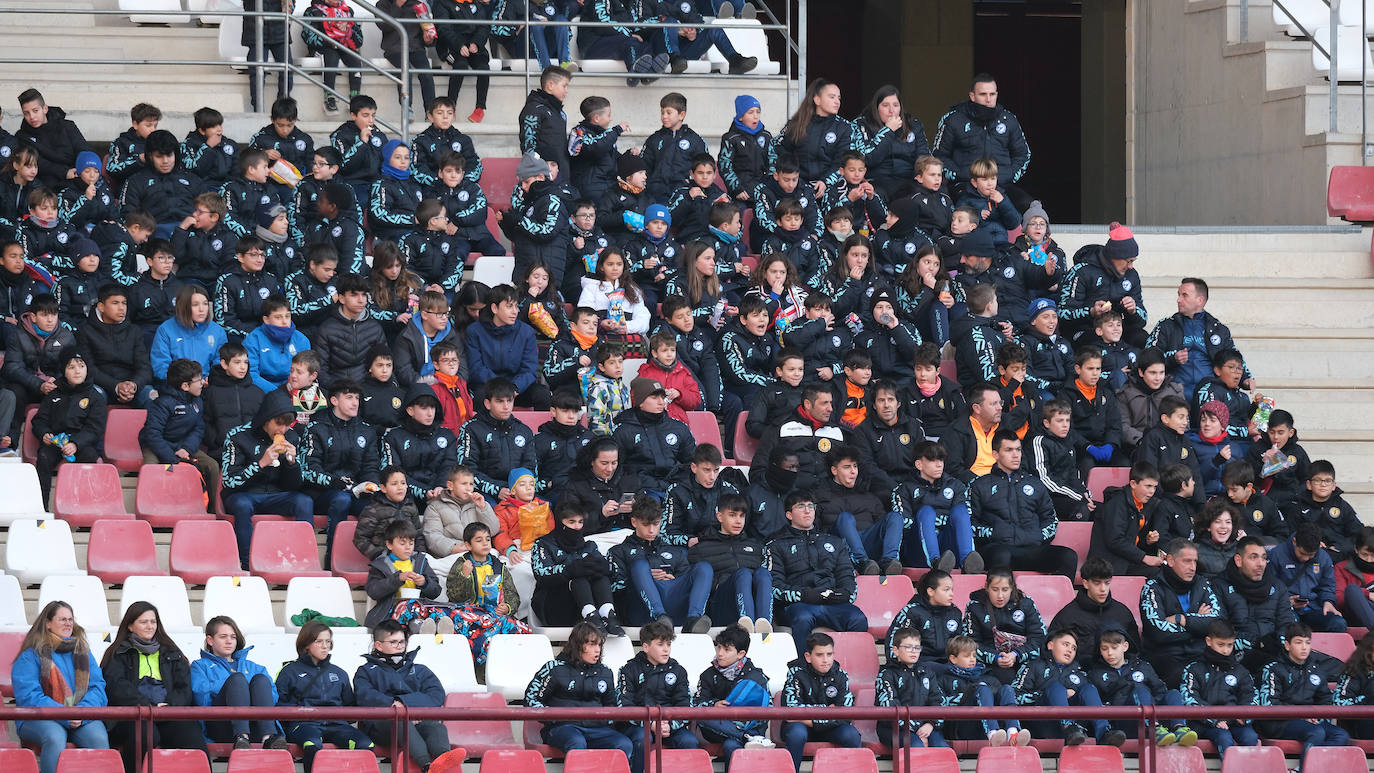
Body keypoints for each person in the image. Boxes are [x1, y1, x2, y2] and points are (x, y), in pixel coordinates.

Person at [102, 602, 209, 773]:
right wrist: (148, 706)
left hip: (169, 713)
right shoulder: (117, 653)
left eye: (153, 621)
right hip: (133, 717)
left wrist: (170, 706)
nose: (150, 626)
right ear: (130, 626)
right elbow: (117, 687)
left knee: (191, 735)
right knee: (145, 733)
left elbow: (184, 686)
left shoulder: (172, 652)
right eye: (143, 622)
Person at [12, 601, 110, 773]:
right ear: (48, 624)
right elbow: (29, 697)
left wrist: (82, 712)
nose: (68, 623)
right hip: (38, 718)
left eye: (70, 619)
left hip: (81, 716)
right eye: (62, 619)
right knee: (55, 736)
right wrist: (65, 714)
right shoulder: (31, 655)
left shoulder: (83, 652)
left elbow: (98, 688)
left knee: (98, 738)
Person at [354, 620, 463, 773]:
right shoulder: (365, 671)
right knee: (400, 723)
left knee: (436, 727)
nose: (399, 646)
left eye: (402, 642)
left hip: (417, 720)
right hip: (382, 727)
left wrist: (406, 705)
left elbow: (436, 695)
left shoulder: (420, 670)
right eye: (393, 642)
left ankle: (443, 761)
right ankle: (427, 767)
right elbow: (364, 697)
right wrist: (394, 706)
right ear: (378, 645)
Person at [221, 388, 313, 567]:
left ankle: (303, 561)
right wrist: (260, 463)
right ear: (266, 418)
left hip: (277, 495)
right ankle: (247, 564)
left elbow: (294, 486)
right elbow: (229, 482)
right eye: (279, 423)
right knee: (242, 505)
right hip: (244, 494)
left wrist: (291, 463)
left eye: (287, 425)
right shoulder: (237, 436)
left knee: (304, 501)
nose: (283, 429)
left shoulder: (292, 438)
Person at [527, 621, 639, 766]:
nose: (597, 650)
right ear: (578, 645)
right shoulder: (554, 668)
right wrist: (553, 718)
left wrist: (604, 721)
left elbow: (611, 706)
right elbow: (531, 698)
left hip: (597, 729)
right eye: (592, 645)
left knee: (624, 744)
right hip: (563, 728)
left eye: (599, 645)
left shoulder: (605, 672)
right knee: (576, 741)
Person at [769, 490, 867, 654]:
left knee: (858, 618)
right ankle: (801, 668)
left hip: (833, 603)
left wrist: (841, 594)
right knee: (803, 618)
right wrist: (805, 595)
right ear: (789, 514)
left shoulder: (835, 542)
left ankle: (849, 670)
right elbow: (775, 586)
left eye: (810, 506)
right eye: (801, 506)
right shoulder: (776, 545)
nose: (807, 510)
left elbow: (847, 577)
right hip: (797, 605)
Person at [970, 430, 1078, 578]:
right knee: (1002, 555)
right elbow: (971, 523)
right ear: (995, 454)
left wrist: (1039, 536)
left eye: (1018, 450)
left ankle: (1060, 600)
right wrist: (994, 534)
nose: (1015, 455)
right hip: (997, 548)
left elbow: (1051, 519)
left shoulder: (1035, 483)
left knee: (1068, 556)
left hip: (1032, 547)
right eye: (1009, 450)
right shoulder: (979, 485)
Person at [275, 621, 375, 773]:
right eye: (319, 641)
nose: (325, 646)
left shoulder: (340, 673)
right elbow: (278, 706)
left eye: (328, 641)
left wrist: (339, 716)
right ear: (306, 643)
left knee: (366, 744)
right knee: (312, 743)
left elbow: (350, 708)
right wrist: (299, 713)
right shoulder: (288, 671)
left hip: (337, 726)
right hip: (303, 725)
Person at [932, 74, 1032, 210]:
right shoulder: (953, 120)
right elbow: (938, 156)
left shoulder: (1008, 119)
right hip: (966, 184)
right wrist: (961, 174)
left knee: (1029, 206)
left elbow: (1023, 154)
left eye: (992, 94)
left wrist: (1008, 175)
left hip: (1001, 185)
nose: (988, 99)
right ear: (972, 96)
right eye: (983, 94)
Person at [1256, 622, 1350, 764]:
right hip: (1279, 723)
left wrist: (1318, 717)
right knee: (1317, 732)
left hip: (1309, 720)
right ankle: (1304, 769)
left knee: (1341, 735)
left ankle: (1317, 767)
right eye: (1299, 642)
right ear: (1287, 645)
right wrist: (1302, 716)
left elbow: (1325, 699)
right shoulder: (1273, 669)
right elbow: (1271, 705)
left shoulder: (1315, 669)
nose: (1304, 647)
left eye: (1307, 643)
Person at [1013, 628, 1123, 747]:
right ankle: (1068, 727)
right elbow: (1015, 697)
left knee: (1089, 689)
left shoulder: (1081, 674)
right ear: (1051, 645)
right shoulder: (1033, 666)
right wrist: (1050, 694)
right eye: (1066, 645)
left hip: (1078, 731)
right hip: (1042, 724)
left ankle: (1103, 733)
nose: (1069, 650)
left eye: (1073, 648)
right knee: (1056, 687)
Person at [1089, 628, 1198, 746]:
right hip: (1123, 723)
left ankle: (1179, 728)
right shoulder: (1096, 673)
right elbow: (1099, 703)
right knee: (1140, 690)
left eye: (1114, 648)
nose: (1110, 653)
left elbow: (1159, 692)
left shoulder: (1142, 666)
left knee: (1173, 693)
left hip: (1152, 717)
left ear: (1125, 646)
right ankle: (1154, 729)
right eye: (1104, 649)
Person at [190, 616, 286, 750]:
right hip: (221, 725)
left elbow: (273, 697)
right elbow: (201, 697)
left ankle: (268, 737)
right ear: (210, 640)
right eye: (223, 636)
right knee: (237, 680)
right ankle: (242, 737)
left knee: (260, 680)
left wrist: (246, 692)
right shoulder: (199, 666)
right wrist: (234, 689)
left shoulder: (255, 667)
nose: (229, 641)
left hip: (256, 725)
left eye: (233, 637)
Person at [1145, 278, 1250, 399]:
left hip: (1210, 394)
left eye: (1184, 295)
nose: (1178, 300)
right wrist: (1173, 359)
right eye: (1179, 295)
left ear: (1200, 300)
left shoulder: (1219, 329)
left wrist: (1245, 378)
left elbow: (1234, 357)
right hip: (1173, 394)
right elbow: (1148, 356)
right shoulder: (1165, 325)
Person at [444, 521, 531, 663]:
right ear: (468, 545)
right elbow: (454, 596)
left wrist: (507, 607)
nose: (485, 543)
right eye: (479, 540)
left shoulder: (499, 566)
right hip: (471, 615)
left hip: (495, 616)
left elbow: (512, 594)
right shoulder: (461, 564)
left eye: (488, 539)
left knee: (521, 629)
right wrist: (464, 576)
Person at [812, 443, 905, 576]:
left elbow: (883, 529)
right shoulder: (819, 496)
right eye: (847, 467)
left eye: (855, 466)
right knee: (845, 518)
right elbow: (816, 531)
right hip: (839, 549)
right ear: (834, 470)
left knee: (895, 517)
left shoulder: (869, 496)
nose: (853, 471)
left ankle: (889, 562)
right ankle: (861, 562)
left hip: (869, 546)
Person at [532, 502, 624, 635]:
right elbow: (541, 574)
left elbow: (610, 570)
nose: (577, 527)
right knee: (578, 577)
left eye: (580, 522)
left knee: (600, 575)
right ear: (559, 522)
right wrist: (570, 570)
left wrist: (605, 567)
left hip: (587, 604)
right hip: (555, 607)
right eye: (571, 522)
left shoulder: (589, 546)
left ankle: (607, 614)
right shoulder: (543, 544)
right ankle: (590, 615)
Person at [1140, 539, 1223, 686]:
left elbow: (1216, 624)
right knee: (1180, 676)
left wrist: (1182, 619)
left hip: (1199, 653)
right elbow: (1158, 632)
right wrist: (1199, 626)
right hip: (1165, 656)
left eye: (1195, 562)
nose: (1193, 567)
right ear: (1170, 561)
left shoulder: (1202, 584)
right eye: (1187, 561)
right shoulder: (1152, 588)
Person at [688, 492, 772, 635]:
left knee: (763, 573)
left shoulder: (756, 546)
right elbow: (695, 580)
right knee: (744, 574)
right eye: (732, 515)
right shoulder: (702, 548)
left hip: (752, 600)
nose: (738, 521)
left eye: (742, 516)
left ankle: (764, 626)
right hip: (722, 606)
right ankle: (748, 626)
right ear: (720, 516)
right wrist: (718, 584)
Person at [692, 624, 774, 765]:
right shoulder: (707, 675)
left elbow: (768, 708)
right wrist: (714, 705)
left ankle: (745, 736)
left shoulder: (756, 676)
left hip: (751, 728)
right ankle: (747, 738)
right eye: (718, 647)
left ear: (741, 654)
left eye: (726, 649)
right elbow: (696, 703)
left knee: (731, 745)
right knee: (700, 715)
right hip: (716, 728)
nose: (720, 653)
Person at [780, 632, 862, 772]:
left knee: (851, 734)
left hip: (827, 727)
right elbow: (791, 711)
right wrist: (828, 711)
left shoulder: (841, 676)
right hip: (801, 728)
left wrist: (811, 716)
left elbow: (846, 715)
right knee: (797, 734)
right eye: (819, 655)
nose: (826, 660)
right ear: (808, 657)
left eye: (829, 654)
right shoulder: (795, 673)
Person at [33, 350, 106, 504]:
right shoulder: (54, 394)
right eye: (71, 367)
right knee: (44, 457)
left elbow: (94, 429)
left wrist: (75, 444)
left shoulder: (95, 397)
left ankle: (86, 508)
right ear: (64, 371)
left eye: (81, 366)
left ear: (87, 369)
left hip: (80, 444)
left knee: (91, 458)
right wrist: (44, 433)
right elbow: (39, 421)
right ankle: (41, 505)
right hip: (55, 442)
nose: (77, 371)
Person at [1179, 619, 1261, 757]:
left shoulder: (1240, 670)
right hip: (1205, 724)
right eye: (1221, 644)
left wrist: (1245, 715)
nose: (1225, 650)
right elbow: (1190, 699)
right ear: (1208, 641)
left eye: (1229, 645)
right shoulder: (1194, 668)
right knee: (1224, 737)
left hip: (1235, 722)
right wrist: (1214, 720)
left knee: (1250, 737)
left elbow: (1251, 696)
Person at [1214, 535, 1296, 671]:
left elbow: (1287, 624)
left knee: (1328, 667)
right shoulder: (1220, 586)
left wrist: (1278, 641)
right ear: (1238, 560)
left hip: (1275, 650)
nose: (1261, 563)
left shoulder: (1277, 587)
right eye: (1254, 557)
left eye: (1264, 558)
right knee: (1274, 667)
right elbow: (1219, 629)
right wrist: (1257, 643)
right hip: (1235, 655)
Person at [1058, 223, 1147, 346]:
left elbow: (1142, 320)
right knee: (1100, 339)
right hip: (1083, 331)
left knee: (1142, 338)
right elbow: (1063, 314)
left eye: (1133, 261)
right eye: (1129, 261)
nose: (1131, 266)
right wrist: (1091, 312)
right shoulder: (1081, 271)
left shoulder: (1131, 275)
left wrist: (1133, 311)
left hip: (1115, 330)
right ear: (1114, 256)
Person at [616, 619, 698, 751]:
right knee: (642, 738)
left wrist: (670, 725)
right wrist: (651, 724)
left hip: (669, 726)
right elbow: (624, 705)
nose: (666, 649)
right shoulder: (629, 669)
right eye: (660, 644)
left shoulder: (678, 671)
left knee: (689, 741)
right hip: (638, 726)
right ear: (646, 647)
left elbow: (685, 705)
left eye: (669, 644)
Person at [749, 383, 848, 492]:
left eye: (831, 403)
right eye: (824, 403)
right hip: (791, 497)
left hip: (830, 497)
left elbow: (849, 470)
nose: (830, 409)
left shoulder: (837, 432)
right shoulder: (780, 428)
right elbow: (758, 470)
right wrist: (780, 492)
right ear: (808, 404)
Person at [140, 358, 217, 498]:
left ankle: (212, 511)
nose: (202, 383)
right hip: (157, 447)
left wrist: (186, 448)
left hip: (183, 445)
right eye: (198, 380)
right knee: (151, 470)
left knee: (212, 466)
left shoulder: (197, 401)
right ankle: (149, 506)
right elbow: (152, 434)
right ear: (185, 386)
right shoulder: (162, 403)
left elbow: (198, 428)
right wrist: (172, 458)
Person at [612, 377, 696, 498]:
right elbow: (616, 469)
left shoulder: (678, 427)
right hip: (642, 491)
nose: (661, 402)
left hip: (675, 488)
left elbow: (692, 462)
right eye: (654, 397)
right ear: (640, 402)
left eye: (662, 397)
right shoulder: (623, 431)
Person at [1049, 557, 1142, 666]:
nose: (1103, 589)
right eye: (1097, 583)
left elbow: (1134, 652)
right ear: (1085, 583)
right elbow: (1053, 653)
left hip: (1118, 676)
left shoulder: (1122, 613)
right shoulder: (1067, 616)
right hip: (1079, 676)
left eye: (1107, 583)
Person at [965, 569, 1047, 685]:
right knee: (1005, 679)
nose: (1000, 595)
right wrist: (996, 657)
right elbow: (970, 643)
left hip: (1025, 659)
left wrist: (1016, 654)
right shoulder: (974, 607)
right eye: (995, 589)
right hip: (992, 663)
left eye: (1005, 590)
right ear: (986, 587)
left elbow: (1039, 638)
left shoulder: (1026, 603)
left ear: (1012, 588)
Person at [773, 79, 856, 192]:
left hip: (830, 187)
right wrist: (792, 178)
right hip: (797, 185)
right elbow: (779, 149)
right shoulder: (797, 122)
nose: (837, 101)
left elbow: (842, 161)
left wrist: (825, 181)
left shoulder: (844, 127)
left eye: (839, 98)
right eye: (832, 97)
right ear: (817, 100)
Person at [875, 627, 948, 750]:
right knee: (916, 745)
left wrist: (931, 724)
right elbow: (890, 707)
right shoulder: (886, 674)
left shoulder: (927, 673)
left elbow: (939, 700)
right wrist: (917, 728)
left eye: (917, 647)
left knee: (941, 747)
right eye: (908, 647)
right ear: (896, 650)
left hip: (926, 727)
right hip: (894, 729)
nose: (913, 651)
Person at [1089, 461, 1167, 577]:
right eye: (1148, 486)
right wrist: (1144, 557)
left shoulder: (1141, 504)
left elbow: (1130, 540)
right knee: (1157, 574)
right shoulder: (1117, 504)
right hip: (1107, 564)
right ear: (1133, 484)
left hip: (1124, 560)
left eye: (1154, 487)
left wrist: (1146, 540)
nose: (1152, 492)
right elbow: (1114, 541)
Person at [1270, 523, 1348, 633]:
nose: (1306, 558)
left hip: (1314, 607)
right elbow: (1270, 588)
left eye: (1311, 555)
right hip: (1285, 609)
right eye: (1302, 553)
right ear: (1294, 542)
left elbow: (1328, 585)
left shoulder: (1323, 557)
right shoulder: (1276, 555)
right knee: (1291, 628)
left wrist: (1328, 602)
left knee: (1338, 623)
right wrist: (1285, 602)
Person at [1286, 460, 1362, 564]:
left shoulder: (1342, 506)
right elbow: (1291, 533)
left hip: (1340, 556)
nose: (1323, 484)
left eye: (1328, 481)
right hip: (1310, 556)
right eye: (1317, 480)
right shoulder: (1298, 507)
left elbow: (1358, 534)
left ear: (1334, 485)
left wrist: (1339, 546)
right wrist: (1309, 542)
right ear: (1309, 484)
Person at [15, 89, 91, 190]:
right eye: (26, 113)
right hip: (45, 185)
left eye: (35, 111)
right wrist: (64, 172)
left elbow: (83, 150)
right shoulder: (22, 137)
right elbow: (38, 163)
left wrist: (81, 170)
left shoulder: (67, 126)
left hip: (76, 176)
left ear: (45, 109)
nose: (32, 117)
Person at [887, 569, 963, 664]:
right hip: (919, 666)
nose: (952, 594)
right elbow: (895, 644)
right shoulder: (912, 612)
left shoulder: (955, 613)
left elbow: (961, 645)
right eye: (946, 590)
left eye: (952, 589)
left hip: (948, 665)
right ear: (931, 591)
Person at [301, 0, 364, 114]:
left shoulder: (347, 12)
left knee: (355, 58)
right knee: (331, 56)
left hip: (344, 46)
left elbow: (359, 40)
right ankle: (329, 97)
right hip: (322, 48)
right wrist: (330, 40)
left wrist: (348, 32)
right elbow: (308, 36)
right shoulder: (312, 11)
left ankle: (355, 98)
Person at [1244, 408, 1310, 510]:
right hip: (1263, 505)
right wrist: (1263, 464)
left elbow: (1307, 478)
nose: (1275, 437)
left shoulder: (1297, 452)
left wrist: (1296, 494)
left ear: (1291, 432)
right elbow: (1247, 479)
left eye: (1280, 432)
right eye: (1272, 432)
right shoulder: (1257, 448)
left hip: (1291, 505)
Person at [518, 66, 573, 183]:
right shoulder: (534, 109)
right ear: (550, 85)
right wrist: (541, 170)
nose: (567, 91)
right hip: (543, 177)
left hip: (561, 173)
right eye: (564, 86)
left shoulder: (558, 111)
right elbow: (528, 145)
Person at [1194, 498, 1241, 579]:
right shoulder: (1195, 551)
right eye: (1217, 521)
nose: (1224, 526)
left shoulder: (1239, 550)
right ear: (1208, 526)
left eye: (1228, 522)